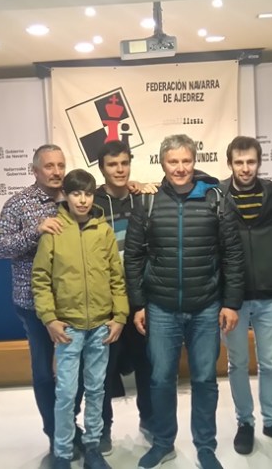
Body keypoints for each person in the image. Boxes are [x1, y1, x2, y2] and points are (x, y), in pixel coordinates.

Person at [124, 134, 245, 469]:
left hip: (206, 306)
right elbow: (133, 257)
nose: (180, 168)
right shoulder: (147, 202)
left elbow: (233, 255)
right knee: (161, 379)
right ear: (162, 163)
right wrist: (138, 305)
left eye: (186, 161)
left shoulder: (216, 199)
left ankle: (205, 447)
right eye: (173, 161)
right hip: (161, 307)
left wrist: (231, 303)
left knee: (205, 380)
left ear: (195, 161)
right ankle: (163, 443)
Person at [32, 169, 129, 469]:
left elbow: (117, 277)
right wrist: (49, 318)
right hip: (68, 328)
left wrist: (120, 316)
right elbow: (41, 279)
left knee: (97, 390)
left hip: (101, 326)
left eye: (87, 194)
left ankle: (93, 448)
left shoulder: (103, 231)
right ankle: (62, 452)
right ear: (66, 195)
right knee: (65, 392)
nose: (83, 200)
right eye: (76, 194)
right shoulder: (54, 231)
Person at [218, 136, 272, 455]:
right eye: (239, 162)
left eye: (251, 162)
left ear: (259, 162)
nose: (245, 168)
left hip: (270, 296)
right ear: (230, 163)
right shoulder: (216, 196)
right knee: (237, 363)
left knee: (270, 363)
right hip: (232, 302)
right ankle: (245, 422)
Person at [0, 144, 71, 453]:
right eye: (49, 166)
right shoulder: (18, 204)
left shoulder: (73, 198)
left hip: (71, 302)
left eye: (60, 165)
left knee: (73, 373)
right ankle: (55, 436)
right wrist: (35, 231)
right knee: (44, 372)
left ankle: (72, 429)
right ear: (35, 170)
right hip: (33, 303)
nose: (56, 172)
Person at [92, 141, 154, 454]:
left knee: (147, 365)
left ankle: (150, 422)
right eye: (112, 164)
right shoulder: (91, 203)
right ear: (102, 168)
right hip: (106, 302)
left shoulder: (142, 198)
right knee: (104, 370)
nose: (119, 170)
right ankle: (103, 430)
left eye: (124, 163)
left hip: (141, 297)